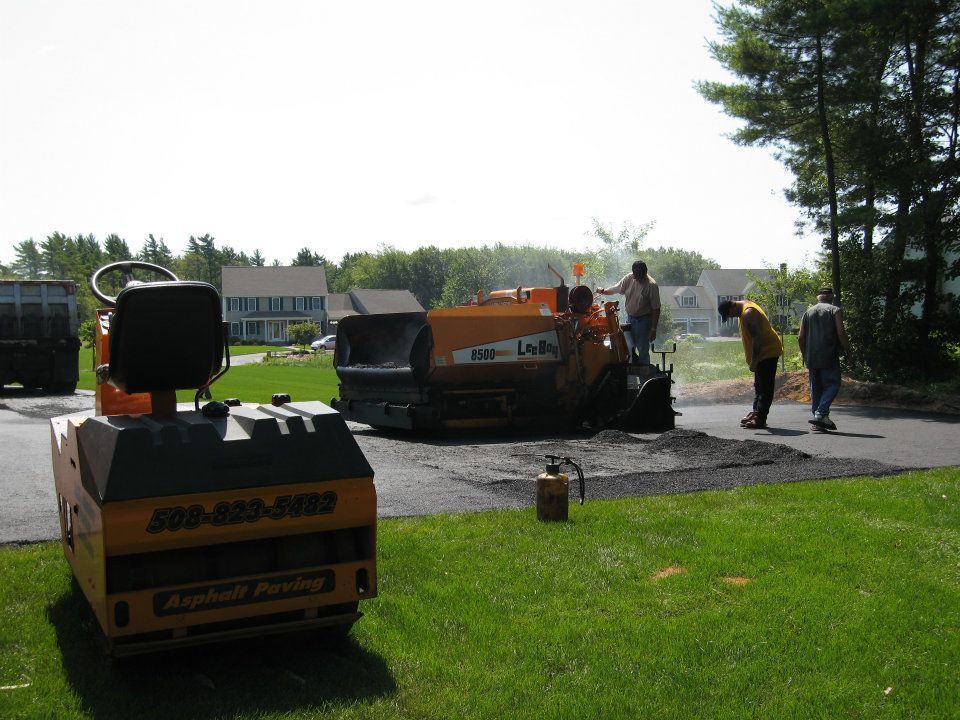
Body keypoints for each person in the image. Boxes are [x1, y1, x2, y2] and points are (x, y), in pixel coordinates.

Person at [717, 299, 784, 429]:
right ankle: (756, 412)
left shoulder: (749, 313)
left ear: (732, 307)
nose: (731, 317)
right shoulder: (744, 308)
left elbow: (757, 338)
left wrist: (754, 360)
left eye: (729, 315)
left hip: (767, 352)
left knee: (765, 387)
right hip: (762, 353)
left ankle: (760, 418)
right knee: (758, 385)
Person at [797, 286, 851, 431]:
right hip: (828, 355)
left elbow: (801, 337)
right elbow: (841, 333)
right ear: (832, 297)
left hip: (811, 356)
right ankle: (821, 414)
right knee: (833, 384)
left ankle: (818, 421)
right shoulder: (835, 310)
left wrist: (805, 354)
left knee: (816, 388)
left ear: (818, 297)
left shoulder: (808, 312)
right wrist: (847, 350)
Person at [597, 260, 661, 365]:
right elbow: (616, 288)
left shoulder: (652, 285)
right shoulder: (629, 278)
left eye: (640, 276)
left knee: (643, 349)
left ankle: (644, 372)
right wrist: (603, 291)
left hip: (644, 321)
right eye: (636, 276)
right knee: (627, 347)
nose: (638, 278)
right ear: (633, 274)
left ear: (645, 273)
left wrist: (653, 329)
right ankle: (631, 371)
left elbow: (656, 308)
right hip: (630, 319)